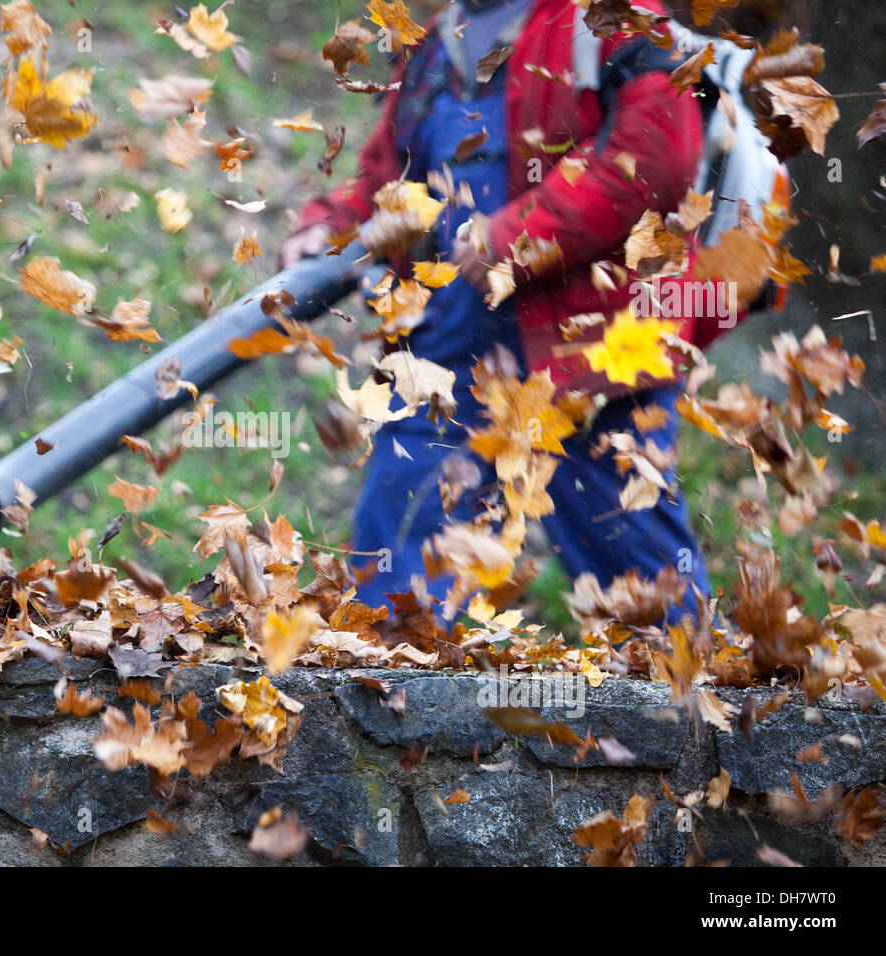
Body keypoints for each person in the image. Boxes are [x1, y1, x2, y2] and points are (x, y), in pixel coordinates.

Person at [281, 0, 711, 619]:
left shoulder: (613, 18)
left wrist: (517, 236)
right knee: (400, 551)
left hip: (592, 353)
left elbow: (655, 161)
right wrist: (331, 226)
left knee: (640, 583)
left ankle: (697, 708)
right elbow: (387, 175)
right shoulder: (433, 49)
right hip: (449, 351)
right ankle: (383, 699)